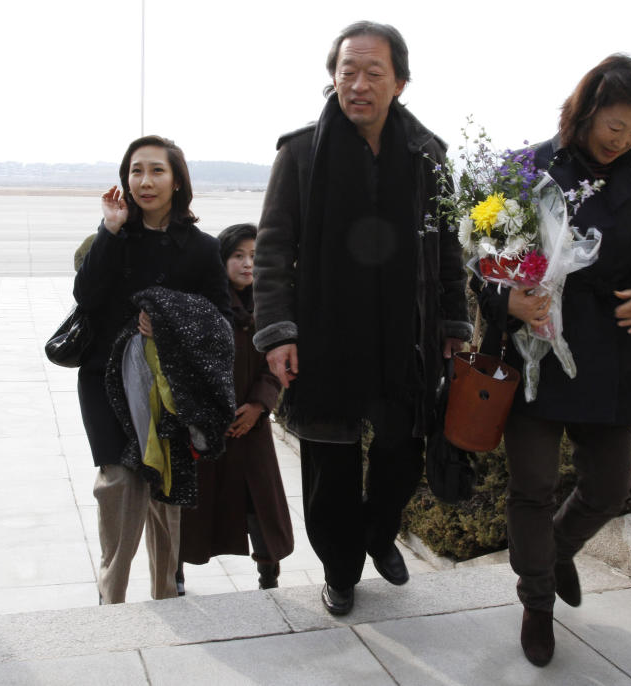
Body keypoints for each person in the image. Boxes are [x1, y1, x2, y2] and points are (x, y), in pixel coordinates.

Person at [252, 21, 470, 616]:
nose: (359, 84)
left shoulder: (427, 156)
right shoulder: (300, 154)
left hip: (406, 335)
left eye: (374, 72)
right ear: (332, 78)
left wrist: (455, 322)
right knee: (330, 466)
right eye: (348, 71)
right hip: (327, 336)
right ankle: (341, 568)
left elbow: (448, 246)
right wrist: (277, 332)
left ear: (400, 82)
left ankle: (380, 534)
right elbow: (272, 249)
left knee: (400, 454)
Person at [474, 55, 631, 666]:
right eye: (614, 127)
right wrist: (508, 298)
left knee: (609, 488)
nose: (624, 142)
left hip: (610, 352)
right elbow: (477, 259)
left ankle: (556, 550)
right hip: (535, 348)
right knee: (533, 486)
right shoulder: (525, 168)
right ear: (586, 111)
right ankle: (537, 602)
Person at [74, 135, 231, 604]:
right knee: (119, 484)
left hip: (170, 387)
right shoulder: (113, 236)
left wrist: (168, 315)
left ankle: (167, 595)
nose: (145, 181)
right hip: (106, 380)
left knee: (166, 493)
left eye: (157, 170)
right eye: (136, 170)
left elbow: (222, 317)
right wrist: (110, 229)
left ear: (177, 180)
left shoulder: (202, 248)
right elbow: (86, 297)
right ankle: (111, 599)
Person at [177, 223, 294, 592]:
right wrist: (212, 411)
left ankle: (268, 577)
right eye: (239, 256)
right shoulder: (205, 301)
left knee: (259, 503)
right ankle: (175, 574)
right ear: (222, 259)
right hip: (207, 427)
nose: (248, 264)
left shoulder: (271, 305)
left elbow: (275, 366)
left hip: (251, 426)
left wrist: (259, 405)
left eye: (256, 257)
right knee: (193, 506)